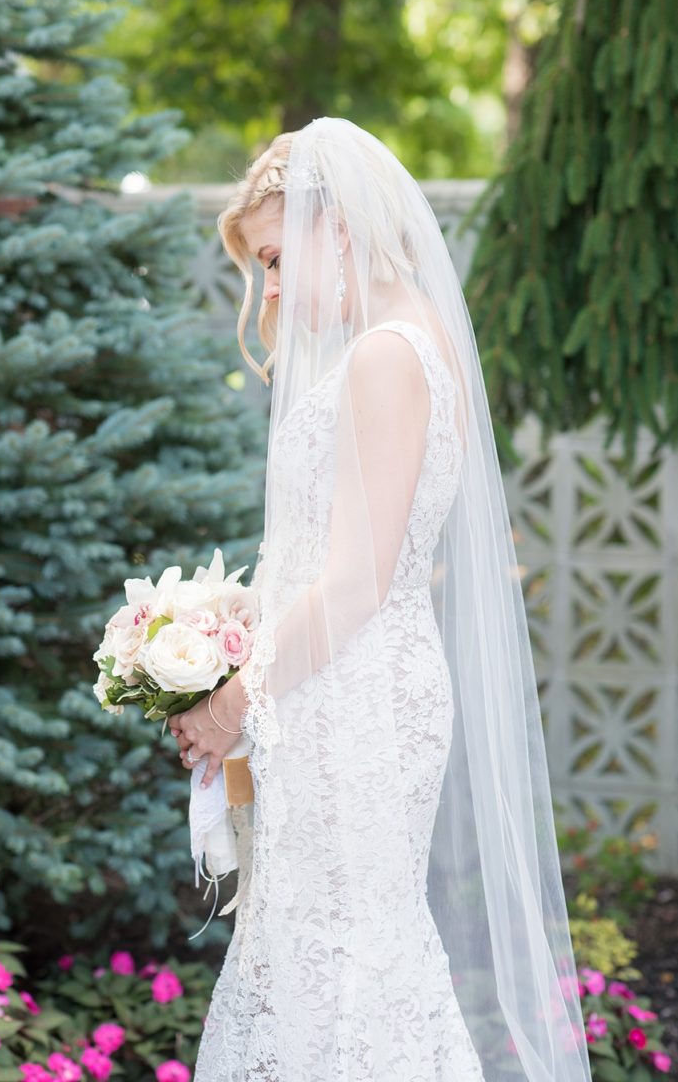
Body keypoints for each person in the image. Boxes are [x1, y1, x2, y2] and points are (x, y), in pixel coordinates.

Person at [168, 117, 592, 1081]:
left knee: (345, 959)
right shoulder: (407, 344)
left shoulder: (383, 358)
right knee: (326, 952)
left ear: (339, 229)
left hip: (353, 697)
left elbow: (356, 580)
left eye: (275, 259)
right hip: (332, 687)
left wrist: (234, 697)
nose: (268, 290)